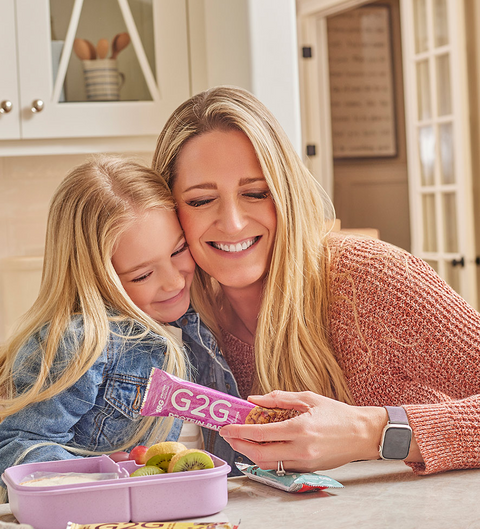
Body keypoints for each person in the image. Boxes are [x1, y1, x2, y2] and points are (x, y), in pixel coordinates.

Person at [152, 85, 480, 477]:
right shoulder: (181, 323)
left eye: (255, 193)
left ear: (285, 194)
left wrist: (370, 432)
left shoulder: (373, 280)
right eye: (201, 200)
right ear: (169, 212)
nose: (233, 222)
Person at [0, 156, 215, 493]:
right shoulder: (79, 342)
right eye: (143, 274)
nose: (174, 282)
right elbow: (21, 448)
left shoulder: (184, 325)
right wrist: (101, 480)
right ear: (98, 277)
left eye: (178, 250)